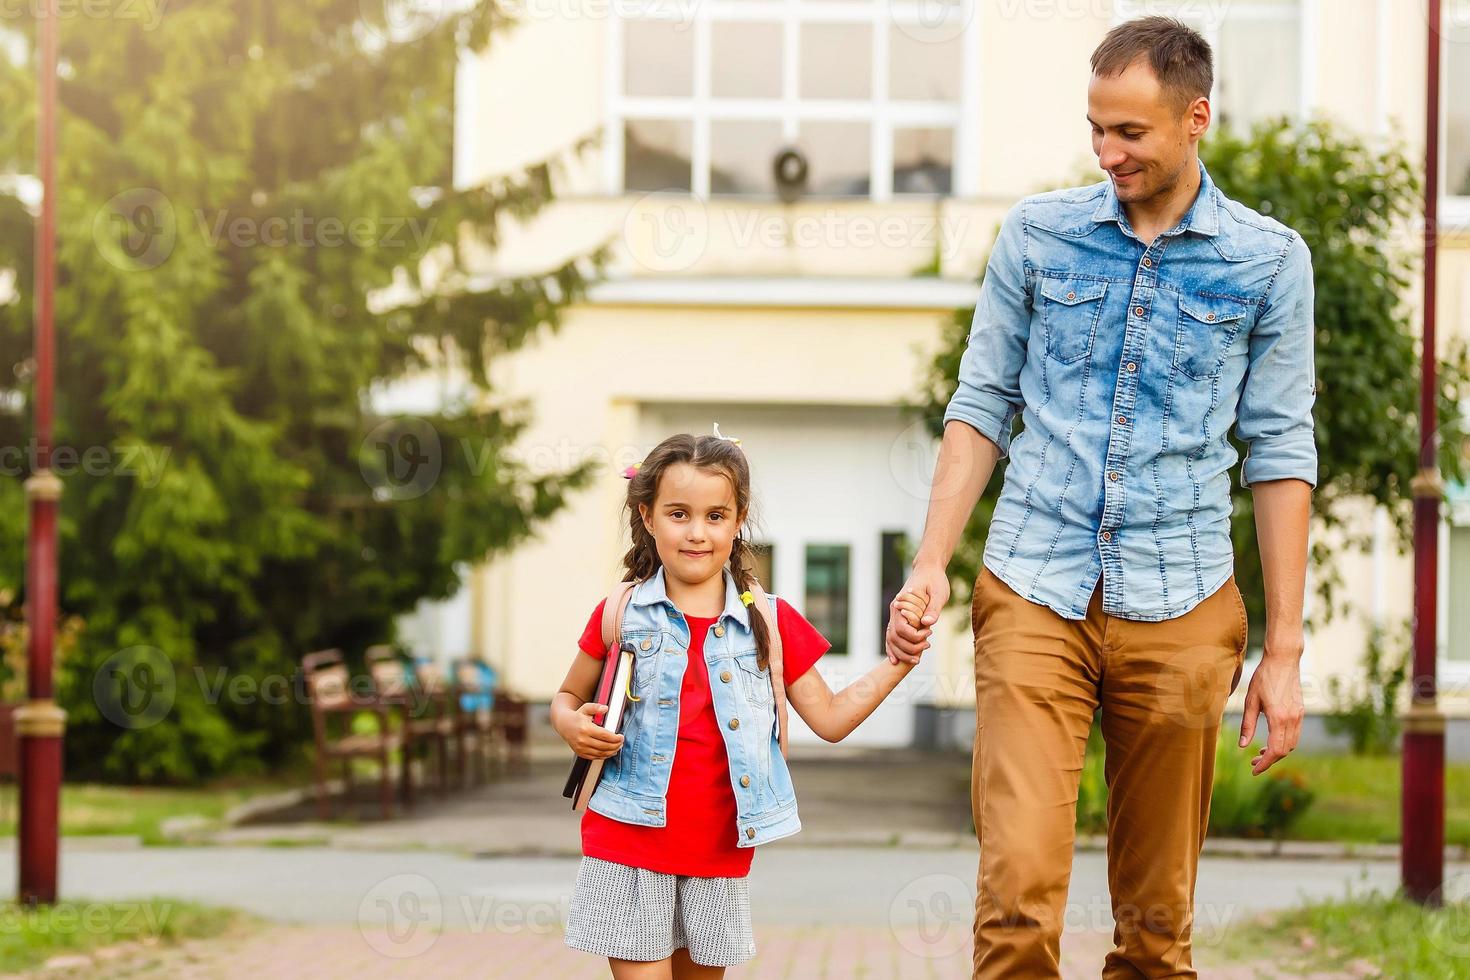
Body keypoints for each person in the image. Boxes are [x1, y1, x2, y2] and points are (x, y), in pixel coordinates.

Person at [885, 17, 1317, 979]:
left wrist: (1283, 650)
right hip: (1034, 585)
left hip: (1185, 599)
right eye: (1096, 129)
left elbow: (1281, 450)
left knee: (1159, 929)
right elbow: (982, 403)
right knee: (1016, 903)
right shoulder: (1040, 236)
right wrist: (927, 566)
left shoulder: (1269, 261)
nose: (1108, 152)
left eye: (1131, 133)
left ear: (1195, 118)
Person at [553, 428, 927, 979]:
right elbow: (566, 697)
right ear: (648, 516)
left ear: (738, 519)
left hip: (719, 854)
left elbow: (831, 718)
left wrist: (899, 662)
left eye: (715, 516)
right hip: (628, 841)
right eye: (678, 514)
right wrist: (569, 723)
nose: (697, 533)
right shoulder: (620, 613)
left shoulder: (769, 623)